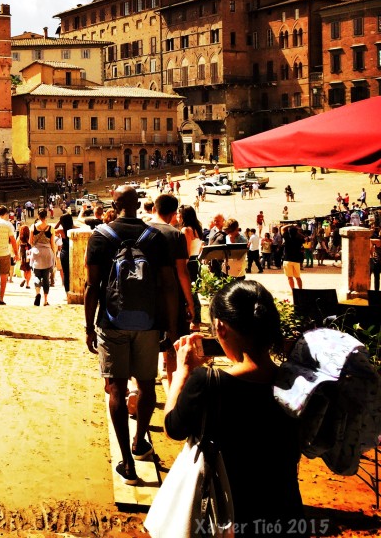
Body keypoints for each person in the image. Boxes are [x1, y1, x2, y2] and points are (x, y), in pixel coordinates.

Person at [165, 280, 304, 535]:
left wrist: (182, 371)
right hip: (286, 514)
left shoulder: (208, 382)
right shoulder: (297, 382)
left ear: (220, 327)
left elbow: (173, 427)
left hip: (229, 514)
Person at [84, 185, 174, 485]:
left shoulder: (100, 236)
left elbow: (92, 287)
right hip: (148, 323)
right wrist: (167, 325)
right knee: (147, 387)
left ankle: (127, 463)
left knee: (116, 389)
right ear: (139, 205)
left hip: (112, 322)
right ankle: (139, 443)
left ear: (115, 202)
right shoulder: (155, 238)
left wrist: (89, 327)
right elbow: (166, 286)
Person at [147, 194, 195, 385]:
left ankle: (139, 389)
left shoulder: (142, 230)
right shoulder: (175, 235)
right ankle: (174, 388)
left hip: (144, 295)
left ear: (154, 209)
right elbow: (182, 272)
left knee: (146, 345)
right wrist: (190, 303)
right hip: (170, 298)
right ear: (174, 213)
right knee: (173, 345)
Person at [55, 212, 75, 296]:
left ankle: (67, 292)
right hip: (73, 252)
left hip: (65, 253)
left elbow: (53, 229)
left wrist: (59, 222)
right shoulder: (75, 229)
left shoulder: (61, 231)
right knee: (74, 272)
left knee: (66, 274)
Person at [282, 223, 306, 290]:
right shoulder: (299, 240)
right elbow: (305, 238)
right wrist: (298, 232)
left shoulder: (287, 238)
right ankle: (300, 290)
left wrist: (290, 225)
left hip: (287, 259)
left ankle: (293, 290)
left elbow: (282, 228)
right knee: (298, 277)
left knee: (290, 277)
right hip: (296, 260)